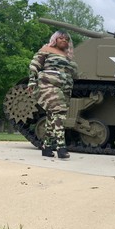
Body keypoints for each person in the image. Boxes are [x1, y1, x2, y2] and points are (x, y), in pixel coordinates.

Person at [27, 30, 78, 159]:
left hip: (64, 87)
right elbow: (34, 65)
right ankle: (61, 147)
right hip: (48, 84)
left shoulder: (67, 55)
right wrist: (32, 81)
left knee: (52, 117)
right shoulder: (46, 49)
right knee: (59, 113)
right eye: (61, 38)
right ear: (55, 39)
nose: (64, 40)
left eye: (66, 39)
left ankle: (47, 146)